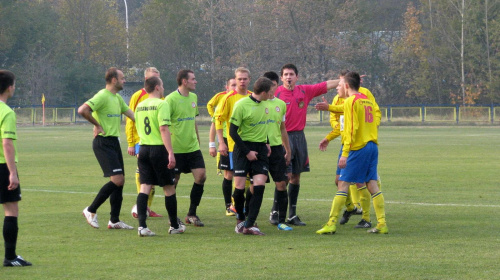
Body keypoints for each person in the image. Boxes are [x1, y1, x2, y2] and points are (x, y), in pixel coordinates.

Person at [316, 71, 388, 235]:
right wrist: (330, 108)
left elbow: (350, 129)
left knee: (342, 184)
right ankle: (382, 223)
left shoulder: (350, 101)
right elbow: (346, 111)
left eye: (340, 85)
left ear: (347, 86)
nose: (338, 88)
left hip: (358, 148)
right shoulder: (366, 101)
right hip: (372, 146)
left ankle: (331, 223)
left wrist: (345, 153)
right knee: (372, 184)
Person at [274, 63, 340, 226]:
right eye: (286, 74)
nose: (289, 77)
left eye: (291, 74)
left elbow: (325, 85)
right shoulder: (275, 93)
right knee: (285, 177)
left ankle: (292, 214)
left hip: (299, 137)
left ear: (297, 77)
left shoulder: (304, 90)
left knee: (296, 177)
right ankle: (275, 212)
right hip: (282, 137)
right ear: (281, 77)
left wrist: (345, 81)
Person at [79, 67, 135, 230]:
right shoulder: (103, 95)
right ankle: (90, 210)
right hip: (103, 143)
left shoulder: (117, 98)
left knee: (120, 182)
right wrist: (97, 124)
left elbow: (133, 116)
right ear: (113, 80)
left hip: (114, 143)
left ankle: (114, 220)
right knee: (117, 180)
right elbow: (83, 110)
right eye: (122, 78)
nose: (124, 81)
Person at [134, 76, 185, 236]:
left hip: (143, 149)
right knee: (169, 188)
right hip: (158, 150)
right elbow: (163, 129)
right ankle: (175, 226)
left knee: (145, 187)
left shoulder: (139, 106)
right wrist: (170, 152)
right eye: (162, 85)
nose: (163, 88)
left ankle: (142, 227)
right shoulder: (162, 104)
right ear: (157, 87)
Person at [230, 77, 274, 235]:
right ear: (263, 92)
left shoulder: (267, 104)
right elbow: (233, 132)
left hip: (261, 148)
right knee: (239, 188)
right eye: (270, 91)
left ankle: (249, 224)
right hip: (243, 149)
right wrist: (247, 152)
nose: (272, 94)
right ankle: (240, 219)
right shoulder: (241, 105)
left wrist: (266, 142)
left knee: (259, 185)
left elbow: (263, 126)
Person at [165, 69, 206, 227]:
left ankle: (192, 213)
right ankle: (172, 217)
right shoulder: (170, 99)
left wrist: (197, 137)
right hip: (176, 149)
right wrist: (168, 150)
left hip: (192, 148)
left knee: (201, 176)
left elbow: (193, 120)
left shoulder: (194, 97)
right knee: (173, 182)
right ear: (184, 81)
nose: (195, 81)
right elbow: (164, 125)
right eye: (193, 79)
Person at [0, 70, 32, 267]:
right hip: (2, 166)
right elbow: (7, 144)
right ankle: (10, 257)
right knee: (11, 210)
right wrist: (12, 173)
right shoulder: (6, 112)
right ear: (10, 87)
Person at [125, 67, 162, 218]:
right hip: (142, 140)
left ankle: (146, 207)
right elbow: (130, 120)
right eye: (154, 77)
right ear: (147, 80)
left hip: (157, 141)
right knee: (144, 172)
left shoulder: (161, 97)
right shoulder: (137, 96)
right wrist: (131, 142)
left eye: (158, 78)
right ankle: (141, 206)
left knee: (152, 176)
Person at [263, 71, 292, 231]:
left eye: (272, 85)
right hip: (259, 149)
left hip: (276, 150)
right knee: (256, 185)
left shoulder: (280, 104)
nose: (270, 88)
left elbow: (282, 129)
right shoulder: (255, 102)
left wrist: (287, 150)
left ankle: (281, 221)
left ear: (276, 85)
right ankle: (249, 219)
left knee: (281, 183)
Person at [207, 77, 237, 216]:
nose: (236, 87)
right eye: (233, 85)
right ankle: (228, 205)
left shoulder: (246, 98)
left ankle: (239, 204)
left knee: (245, 175)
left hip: (242, 140)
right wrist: (213, 144)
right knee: (229, 174)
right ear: (227, 87)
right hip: (226, 140)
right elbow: (214, 124)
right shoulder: (224, 102)